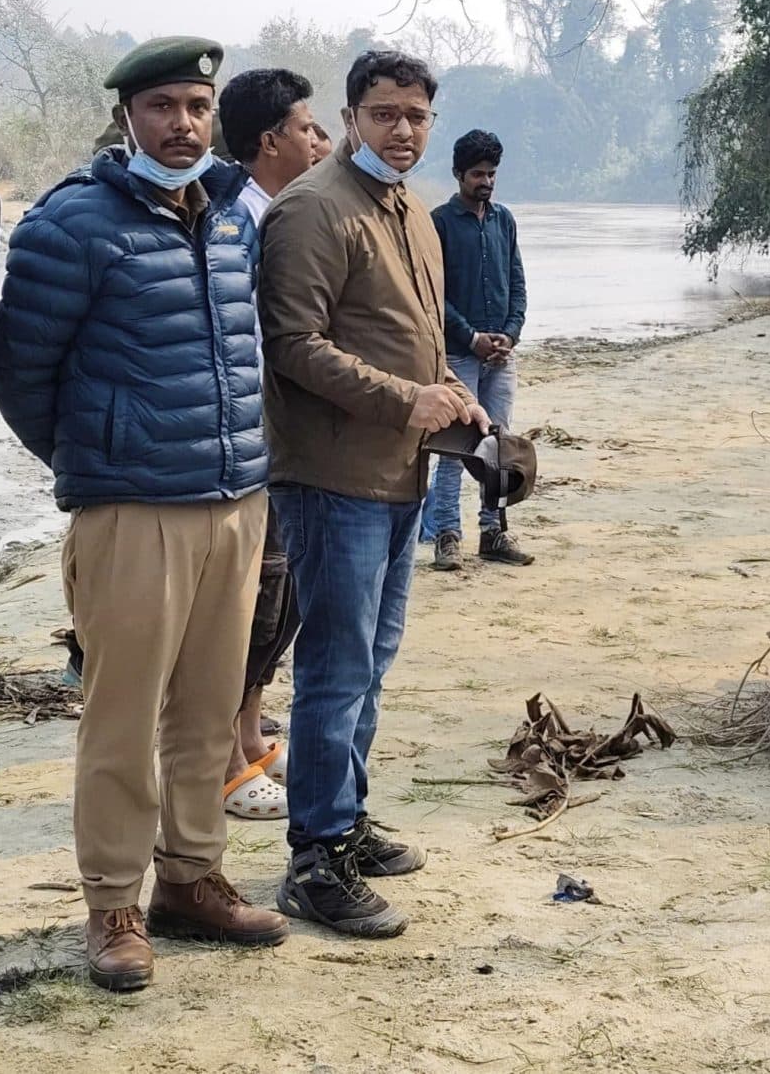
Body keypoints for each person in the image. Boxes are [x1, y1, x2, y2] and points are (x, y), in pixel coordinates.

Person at [0, 36, 287, 992]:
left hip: (235, 501)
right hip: (132, 512)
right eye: (161, 106)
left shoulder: (233, 214)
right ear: (126, 116)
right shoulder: (72, 223)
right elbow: (17, 373)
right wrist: (103, 460)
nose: (182, 124)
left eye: (196, 105)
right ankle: (113, 902)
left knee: (209, 706)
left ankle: (190, 876)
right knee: (121, 718)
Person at [258, 49, 483, 939]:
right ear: (350, 116)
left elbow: (417, 339)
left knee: (372, 661)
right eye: (384, 113)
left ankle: (345, 818)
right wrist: (407, 399)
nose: (402, 130)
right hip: (332, 477)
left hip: (400, 474)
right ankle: (314, 857)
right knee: (335, 666)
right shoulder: (312, 208)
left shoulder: (413, 212)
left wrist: (451, 393)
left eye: (416, 116)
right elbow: (292, 344)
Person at [213, 66, 332, 822]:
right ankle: (224, 759)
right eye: (306, 127)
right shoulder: (241, 222)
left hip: (280, 436)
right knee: (248, 598)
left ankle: (251, 733)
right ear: (269, 141)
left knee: (278, 595)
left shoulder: (281, 211)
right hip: (250, 436)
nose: (318, 140)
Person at [423, 128, 533, 570]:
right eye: (477, 174)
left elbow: (518, 284)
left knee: (500, 448)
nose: (486, 182)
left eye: (491, 174)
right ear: (458, 174)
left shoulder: (504, 220)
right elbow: (434, 294)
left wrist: (510, 334)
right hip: (459, 355)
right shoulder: (439, 223)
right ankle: (447, 536)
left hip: (501, 357)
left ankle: (493, 532)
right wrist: (472, 338)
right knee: (456, 449)